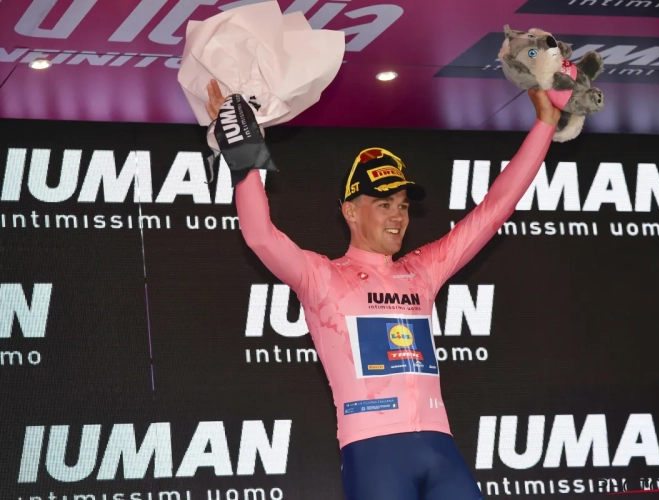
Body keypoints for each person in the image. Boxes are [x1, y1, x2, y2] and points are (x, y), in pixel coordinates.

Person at [205, 79, 560, 500]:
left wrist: (545, 123)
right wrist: (243, 155)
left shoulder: (422, 270)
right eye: (384, 204)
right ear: (351, 211)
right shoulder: (321, 277)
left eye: (403, 205)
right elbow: (261, 237)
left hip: (441, 448)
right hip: (374, 453)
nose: (398, 217)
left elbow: (495, 209)